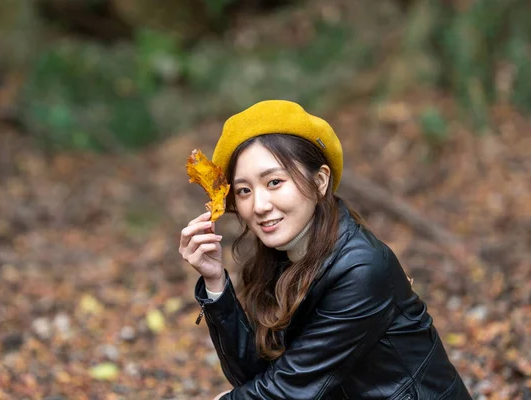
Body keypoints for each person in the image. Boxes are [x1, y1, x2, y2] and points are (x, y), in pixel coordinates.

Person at [179, 100, 472, 399]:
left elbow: (291, 389)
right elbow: (254, 377)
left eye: (275, 182)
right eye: (244, 190)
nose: (260, 205)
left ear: (319, 181)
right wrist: (216, 284)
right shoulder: (279, 258)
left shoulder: (361, 269)